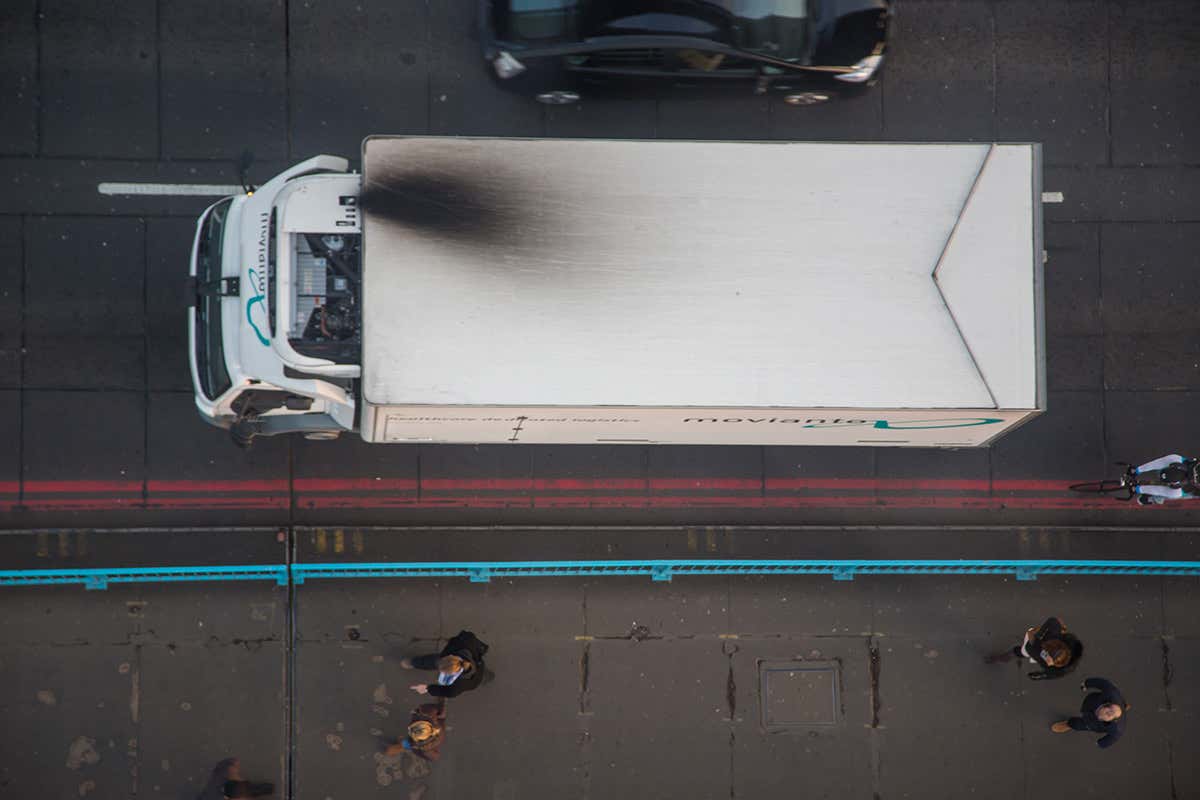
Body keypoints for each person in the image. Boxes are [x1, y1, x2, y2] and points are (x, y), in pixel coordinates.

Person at [985, 617, 1083, 680]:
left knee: (1019, 652)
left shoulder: (1038, 649)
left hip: (1035, 646)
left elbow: (1054, 621)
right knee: (1019, 652)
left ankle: (998, 658)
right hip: (1034, 647)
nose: (1048, 662)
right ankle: (999, 658)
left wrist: (1038, 633)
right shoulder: (1037, 650)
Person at [402, 629, 490, 698]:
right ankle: (415, 663)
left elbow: (447, 691)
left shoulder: (460, 685)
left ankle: (415, 663)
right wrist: (427, 688)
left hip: (475, 669)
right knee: (434, 661)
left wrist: (428, 688)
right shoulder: (464, 642)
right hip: (476, 663)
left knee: (432, 660)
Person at [1051, 677, 1128, 748]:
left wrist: (1100, 743)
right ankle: (1123, 704)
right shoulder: (1111, 693)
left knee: (1077, 725)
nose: (1107, 714)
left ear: (1112, 721)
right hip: (1090, 704)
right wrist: (1086, 684)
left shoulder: (1117, 728)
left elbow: (1113, 738)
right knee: (1086, 708)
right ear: (1107, 704)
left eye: (1110, 715)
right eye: (1109, 710)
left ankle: (1068, 724)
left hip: (1092, 724)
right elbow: (1103, 683)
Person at [1127, 454, 1199, 505]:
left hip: (1186, 483)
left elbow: (1195, 492)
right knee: (1174, 458)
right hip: (1182, 467)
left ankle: (1141, 491)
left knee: (1176, 494)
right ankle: (1136, 470)